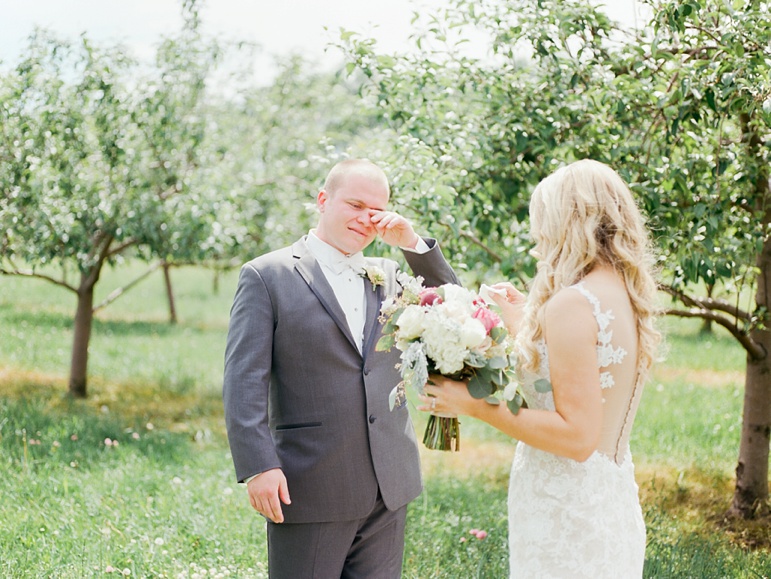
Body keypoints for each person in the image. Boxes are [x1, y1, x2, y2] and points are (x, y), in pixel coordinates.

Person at [419, 159, 660, 578]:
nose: (538, 235)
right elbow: (580, 378)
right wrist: (522, 323)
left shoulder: (573, 303)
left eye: (542, 220)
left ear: (568, 221)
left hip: (566, 514)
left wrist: (472, 405)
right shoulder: (624, 292)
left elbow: (578, 437)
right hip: (607, 502)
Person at [223, 158, 459, 578]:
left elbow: (457, 314)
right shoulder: (266, 275)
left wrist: (412, 244)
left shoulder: (388, 274)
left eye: (376, 210)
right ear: (322, 200)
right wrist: (259, 465)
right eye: (354, 204)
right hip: (310, 485)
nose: (365, 219)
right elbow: (244, 382)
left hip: (390, 485)